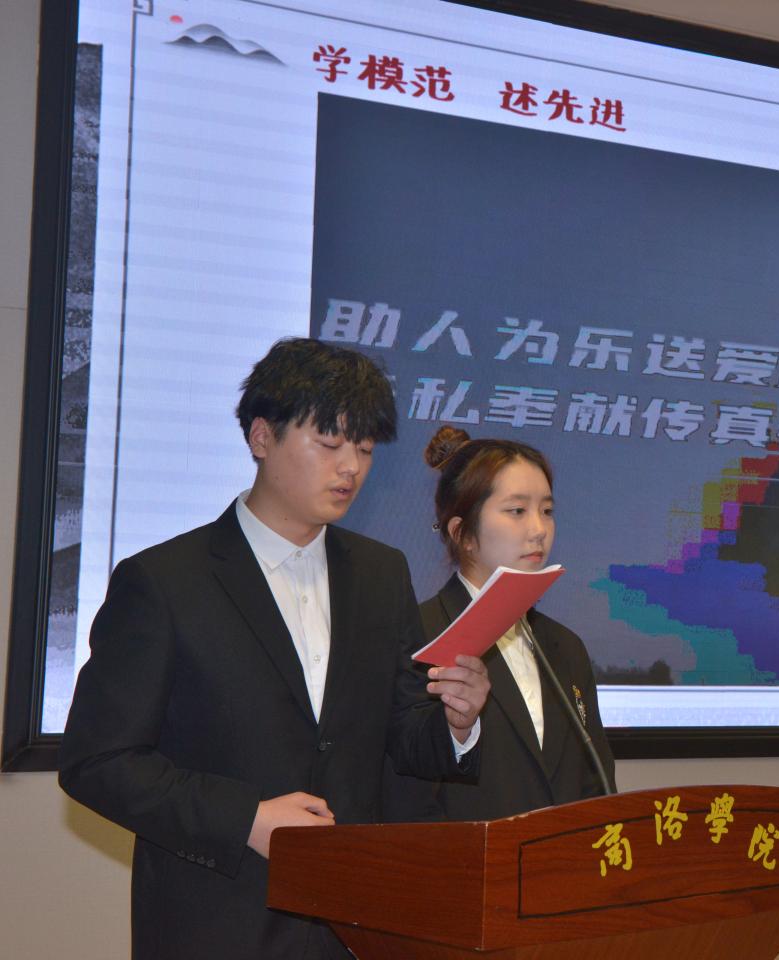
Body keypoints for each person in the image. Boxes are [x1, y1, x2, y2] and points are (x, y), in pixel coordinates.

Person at [58, 338, 492, 960]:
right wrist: (246, 819)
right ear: (261, 437)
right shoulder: (164, 581)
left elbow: (399, 734)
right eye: (330, 443)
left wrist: (455, 724)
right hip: (219, 926)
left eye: (366, 449)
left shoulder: (381, 573)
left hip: (354, 927)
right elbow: (98, 762)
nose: (351, 469)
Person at [387, 427, 615, 822]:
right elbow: (404, 789)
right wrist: (456, 728)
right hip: (468, 858)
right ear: (462, 533)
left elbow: (596, 785)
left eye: (547, 511)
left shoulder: (565, 646)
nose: (539, 529)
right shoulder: (418, 634)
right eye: (517, 511)